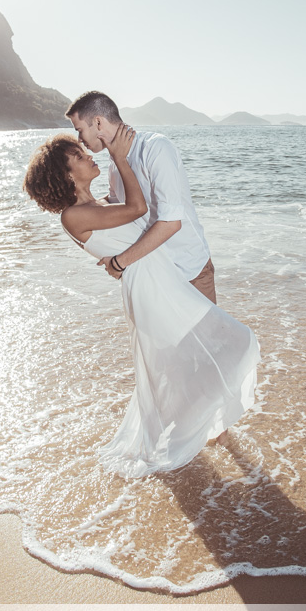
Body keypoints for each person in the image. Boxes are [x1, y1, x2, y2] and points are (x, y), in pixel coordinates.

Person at [23, 126, 260, 478]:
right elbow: (138, 207)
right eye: (78, 156)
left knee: (192, 359)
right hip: (151, 290)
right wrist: (119, 156)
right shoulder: (73, 216)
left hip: (162, 281)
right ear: (66, 174)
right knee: (228, 346)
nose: (88, 156)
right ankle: (189, 433)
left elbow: (134, 218)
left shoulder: (98, 205)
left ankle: (207, 430)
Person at [65, 91, 216, 303]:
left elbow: (171, 223)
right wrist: (78, 209)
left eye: (79, 130)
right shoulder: (115, 162)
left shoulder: (155, 148)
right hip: (157, 274)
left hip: (189, 270)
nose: (80, 140)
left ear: (98, 122)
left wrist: (119, 263)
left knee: (208, 337)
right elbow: (117, 202)